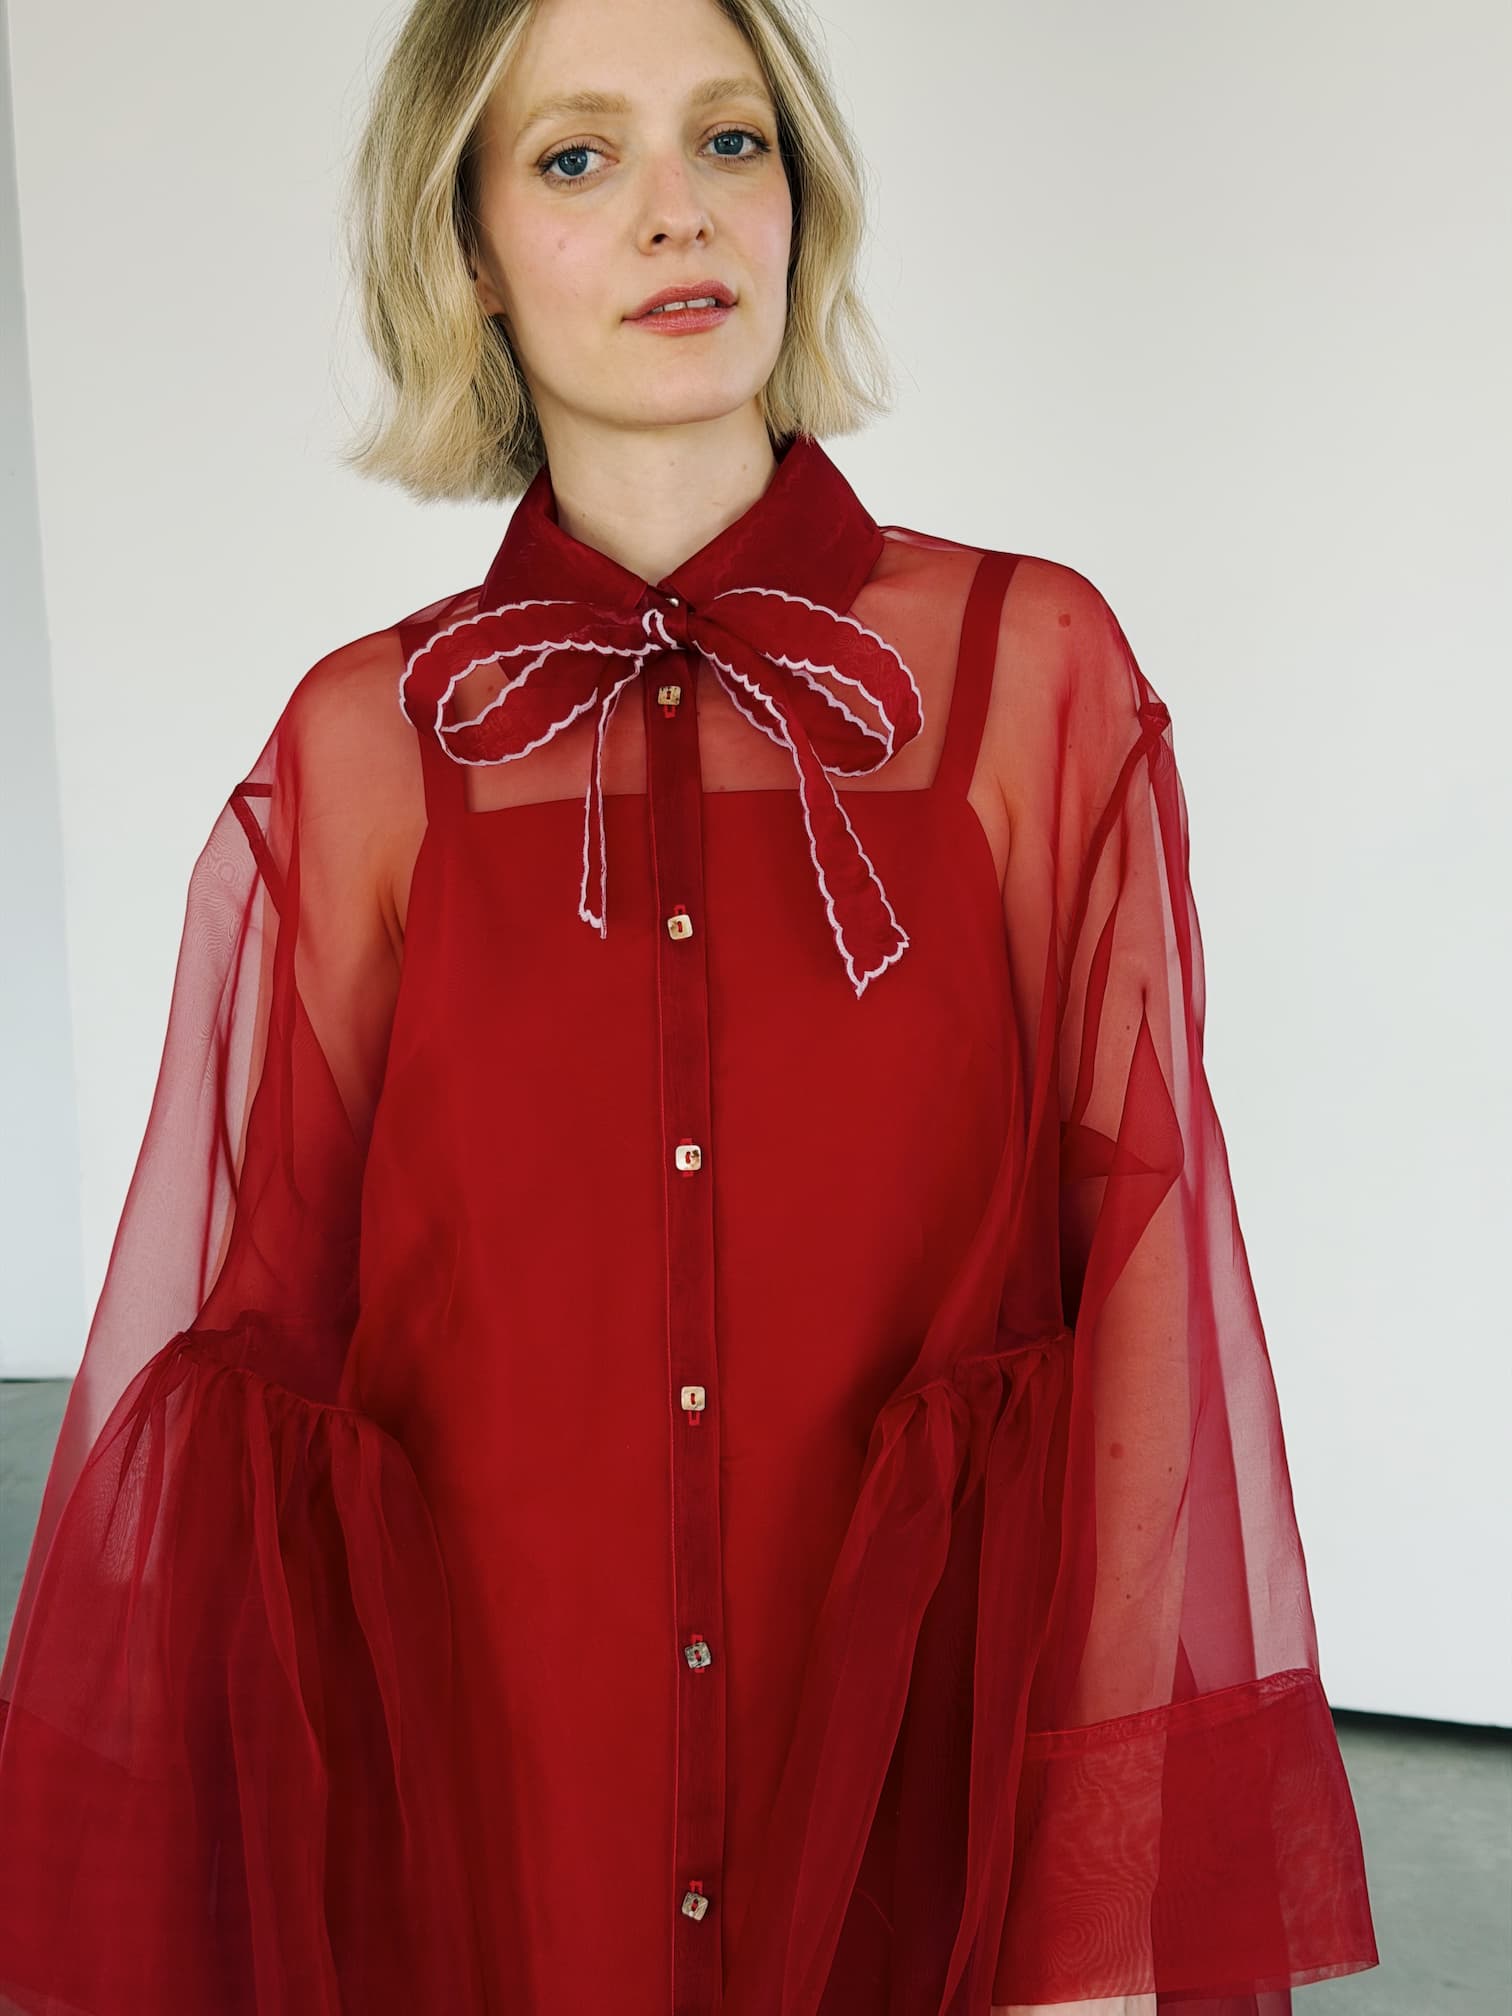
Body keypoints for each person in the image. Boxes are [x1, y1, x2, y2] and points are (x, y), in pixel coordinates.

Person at [0, 0, 1380, 2011]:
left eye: (730, 143)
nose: (677, 215)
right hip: (494, 1804)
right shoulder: (381, 741)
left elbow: (1140, 1298)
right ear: (465, 247)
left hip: (923, 1782)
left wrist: (1090, 1897)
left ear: (802, 196)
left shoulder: (1026, 672)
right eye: (577, 158)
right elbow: (266, 1372)